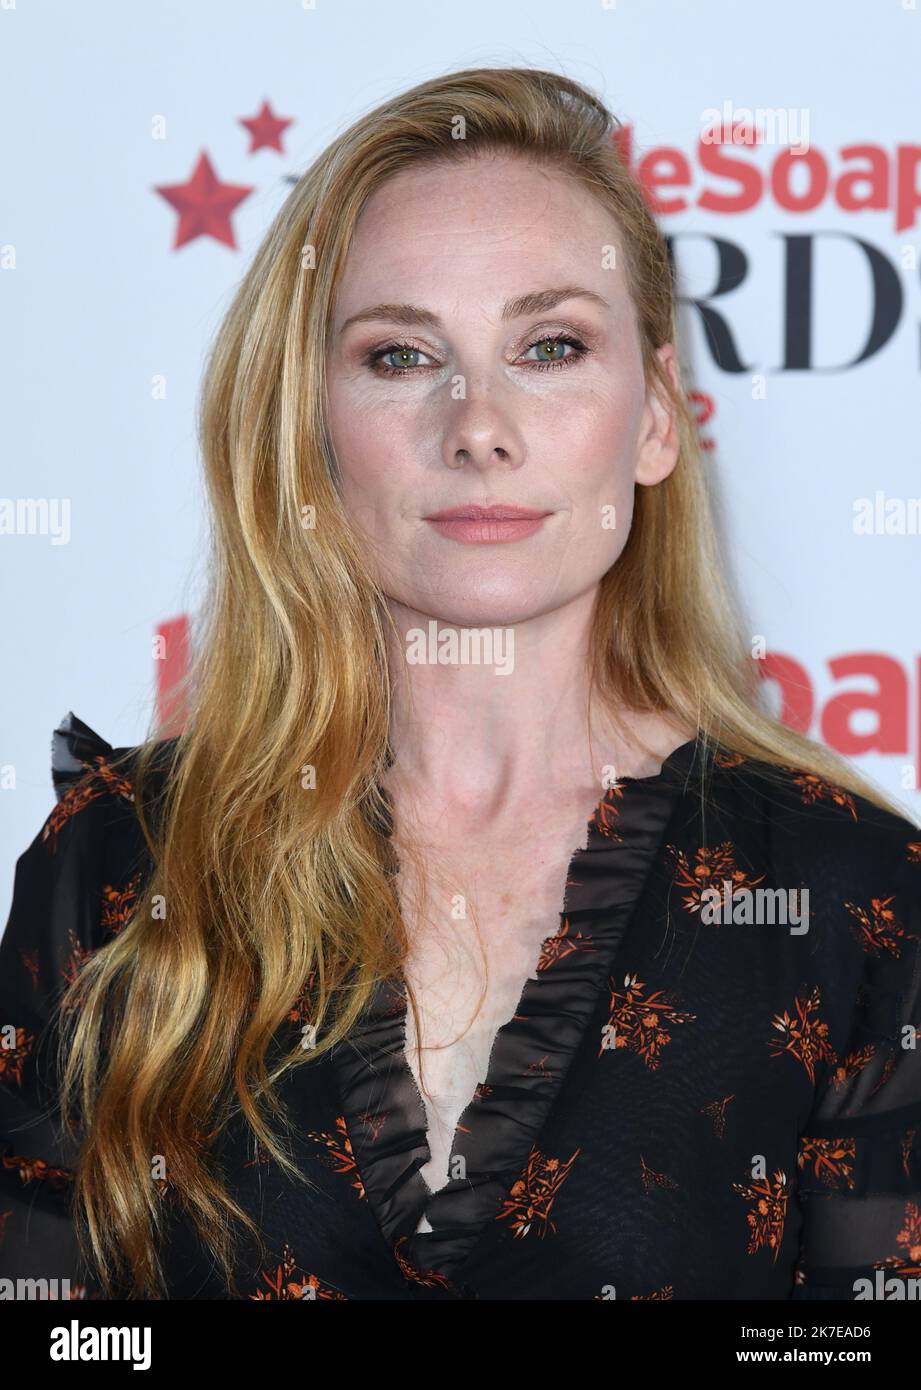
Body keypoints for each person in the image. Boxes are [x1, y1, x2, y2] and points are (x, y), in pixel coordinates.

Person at [2, 67, 920, 1303]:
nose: (477, 424)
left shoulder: (846, 893)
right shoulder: (121, 860)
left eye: (550, 346)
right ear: (310, 430)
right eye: (399, 354)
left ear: (653, 418)